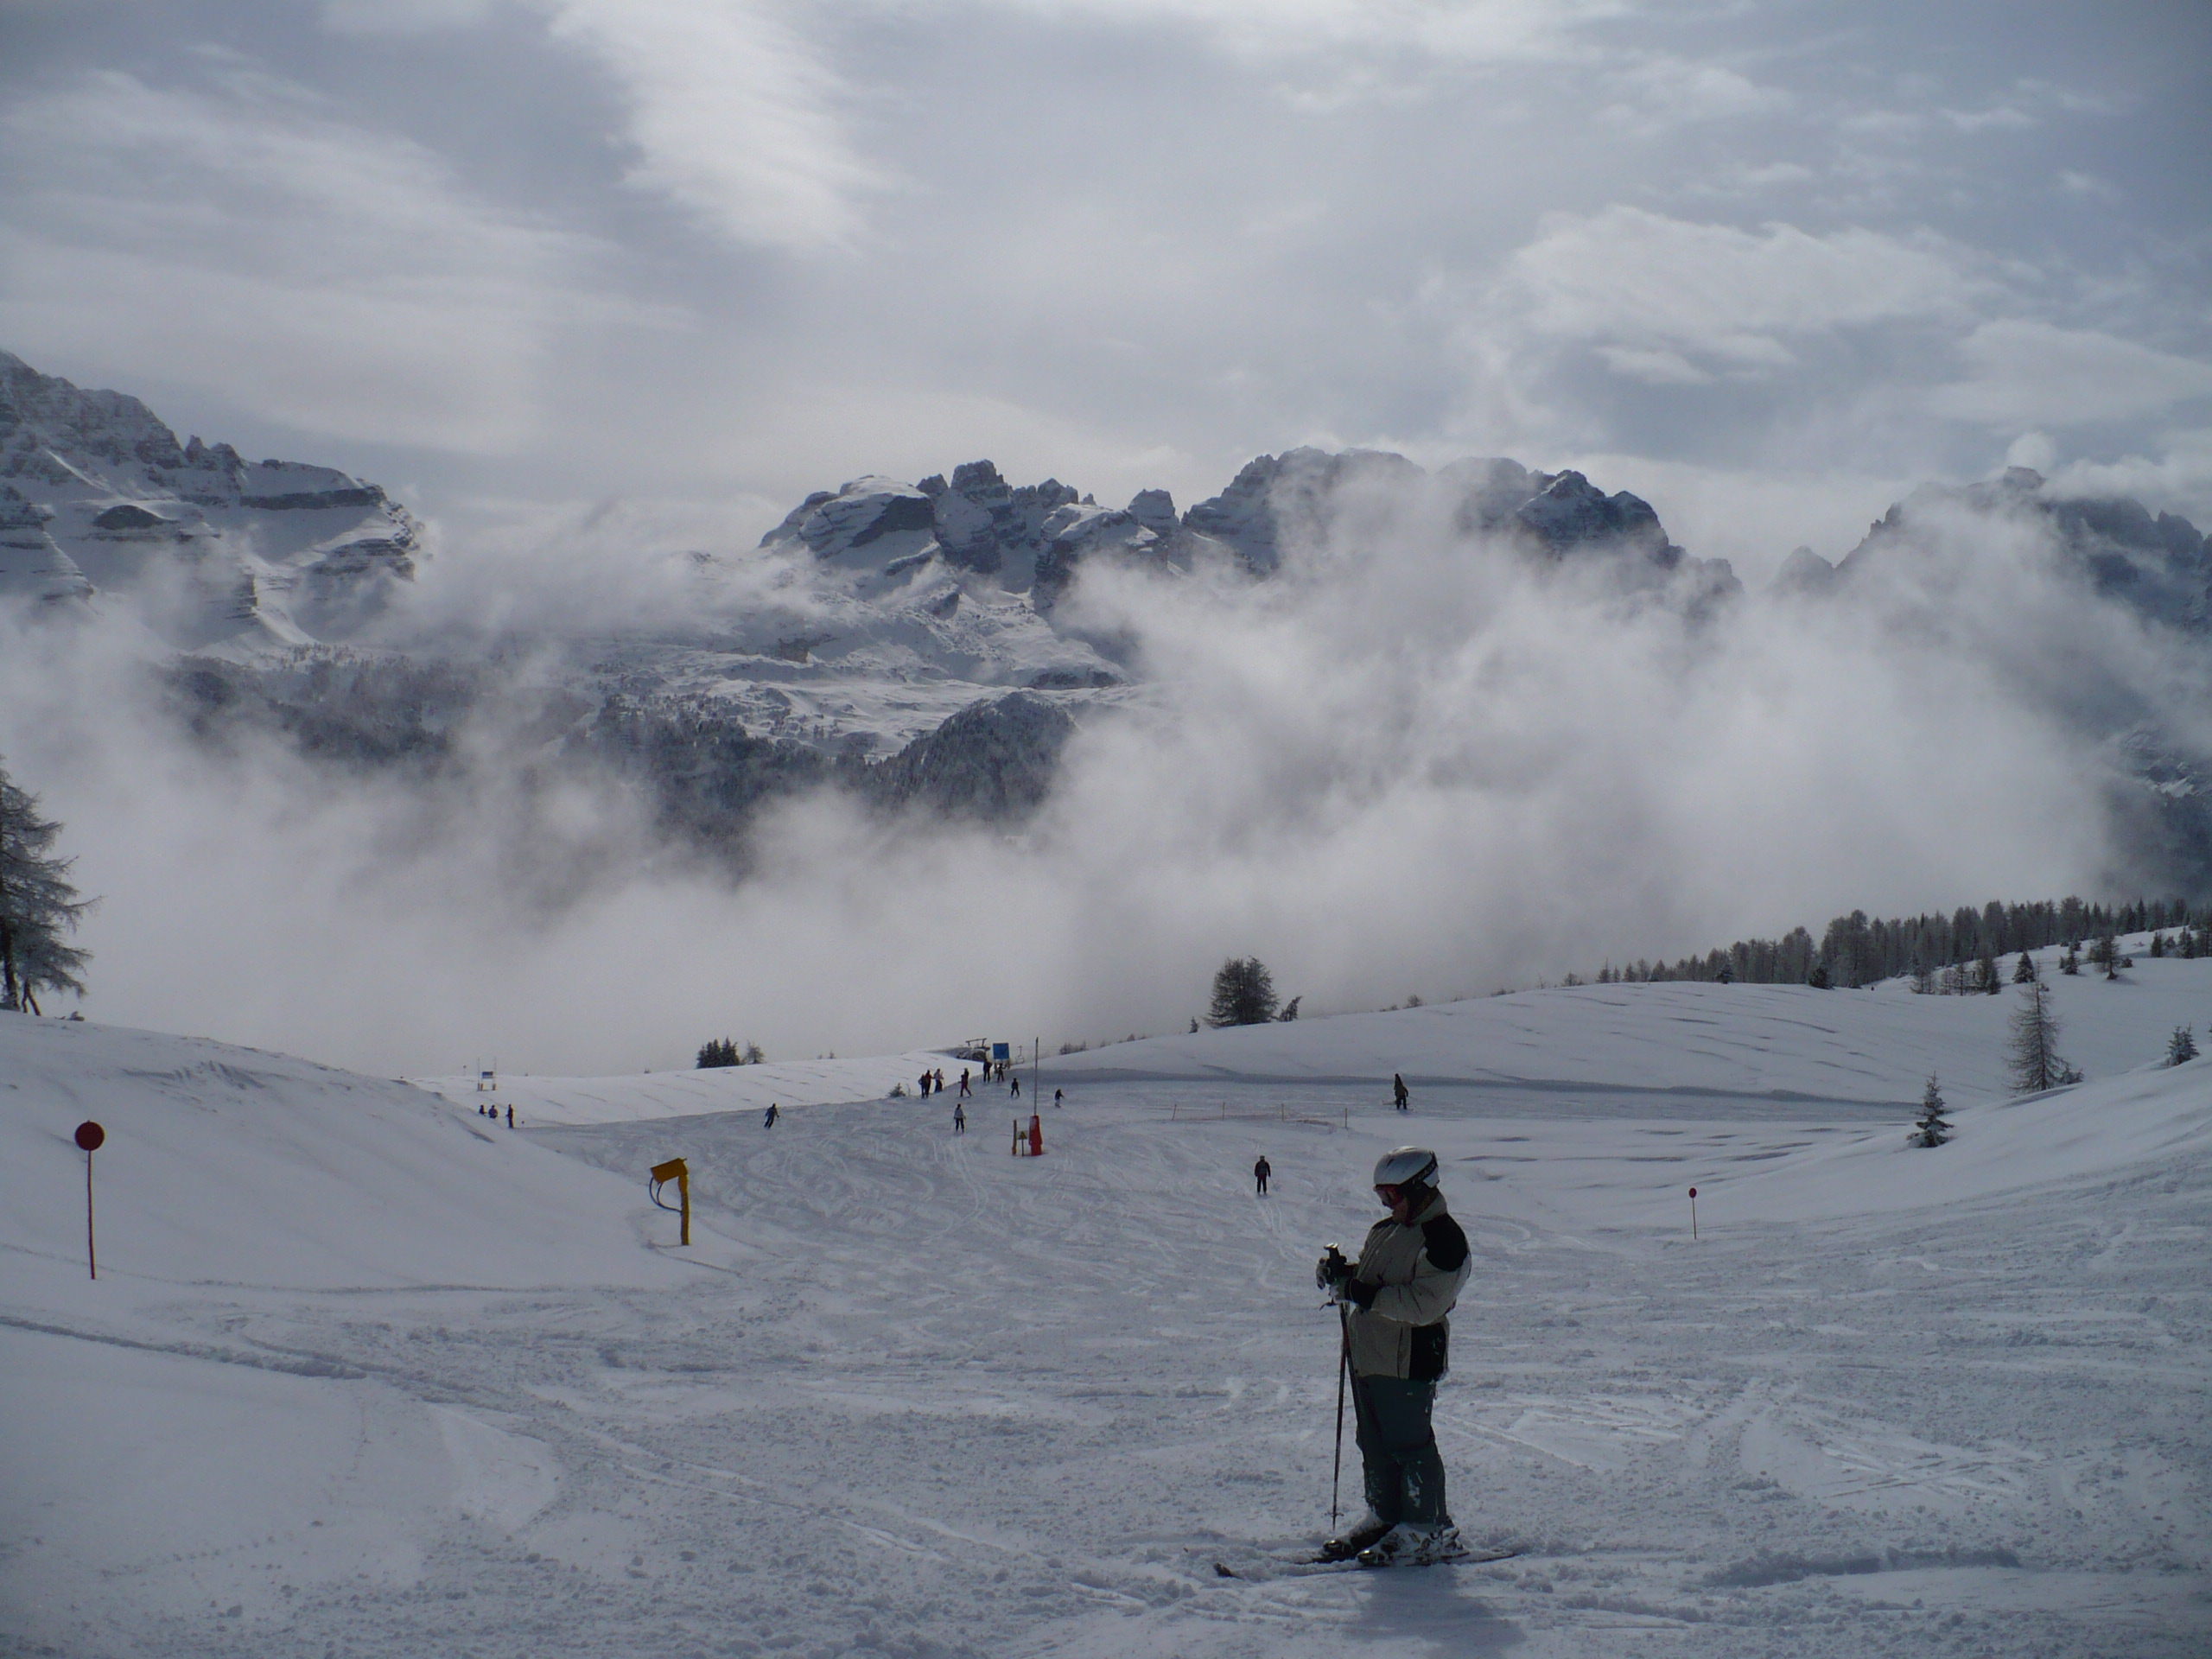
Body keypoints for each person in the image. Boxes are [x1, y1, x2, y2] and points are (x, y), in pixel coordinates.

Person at [1314, 1147, 1471, 1567]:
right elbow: (1370, 1282)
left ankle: (1428, 1528)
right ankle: (1385, 1517)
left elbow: (1424, 1305)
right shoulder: (1387, 1230)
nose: (1387, 1204)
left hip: (1409, 1359)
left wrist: (1360, 1292)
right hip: (1371, 1355)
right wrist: (1343, 1276)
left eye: (1393, 1195)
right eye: (1382, 1196)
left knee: (1409, 1445)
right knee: (1375, 1444)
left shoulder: (1443, 1240)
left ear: (1420, 1189)